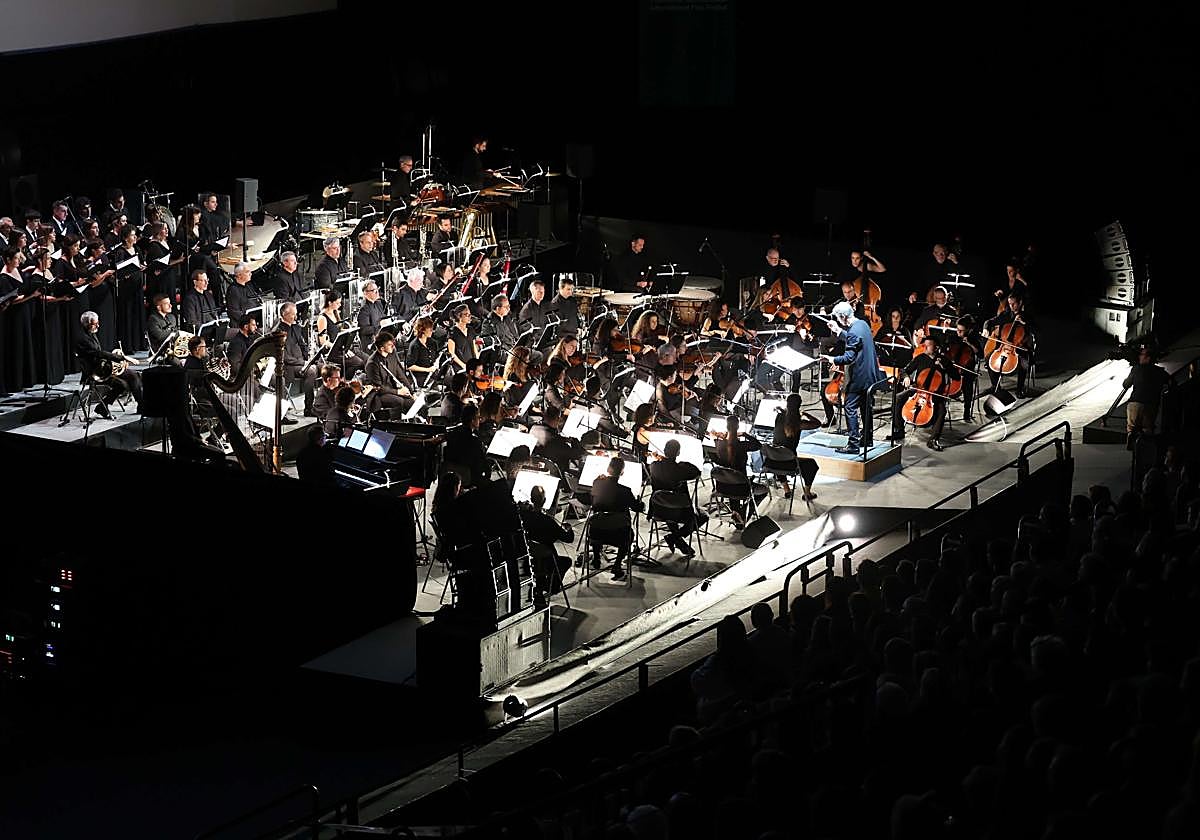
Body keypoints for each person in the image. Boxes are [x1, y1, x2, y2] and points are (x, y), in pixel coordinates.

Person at [820, 300, 886, 454]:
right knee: (865, 406)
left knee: (850, 407)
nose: (838, 321)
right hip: (870, 374)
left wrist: (832, 359)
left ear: (843, 317)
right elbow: (854, 338)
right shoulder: (862, 324)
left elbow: (849, 357)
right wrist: (838, 331)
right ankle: (867, 439)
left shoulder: (854, 331)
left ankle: (853, 445)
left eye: (838, 319)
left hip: (859, 377)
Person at [76, 310, 143, 417]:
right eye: (95, 323)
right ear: (87, 324)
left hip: (104, 367)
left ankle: (142, 406)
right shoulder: (82, 338)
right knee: (121, 385)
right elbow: (99, 353)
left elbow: (101, 355)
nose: (98, 325)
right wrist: (122, 358)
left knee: (134, 375)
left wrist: (119, 361)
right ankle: (102, 406)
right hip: (95, 373)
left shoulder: (91, 333)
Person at [648, 438, 706, 558]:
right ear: (678, 453)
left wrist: (662, 460)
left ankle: (677, 540)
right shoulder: (681, 469)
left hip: (659, 509)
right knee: (703, 516)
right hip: (680, 512)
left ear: (664, 450)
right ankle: (675, 538)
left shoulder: (653, 466)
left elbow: (665, 468)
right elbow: (696, 471)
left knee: (669, 506)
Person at [892, 334, 951, 451]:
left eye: (929, 345)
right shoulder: (920, 358)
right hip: (917, 390)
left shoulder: (944, 360)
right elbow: (904, 370)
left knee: (942, 411)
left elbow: (955, 376)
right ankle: (899, 430)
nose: (925, 347)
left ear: (936, 347)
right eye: (925, 345)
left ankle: (933, 439)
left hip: (934, 395)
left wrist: (944, 367)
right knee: (898, 398)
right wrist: (906, 377)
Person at [588, 457, 644, 581]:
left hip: (597, 532)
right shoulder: (625, 491)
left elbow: (593, 503)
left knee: (599, 520)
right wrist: (641, 503)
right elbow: (637, 508)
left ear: (608, 469)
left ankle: (596, 558)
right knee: (630, 535)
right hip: (618, 534)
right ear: (622, 473)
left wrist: (596, 481)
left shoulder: (597, 484)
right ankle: (617, 565)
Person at [519, 485, 573, 597]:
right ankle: (551, 586)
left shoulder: (523, 516)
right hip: (546, 561)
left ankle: (541, 585)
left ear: (531, 499)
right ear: (544, 501)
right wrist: (569, 529)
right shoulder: (548, 521)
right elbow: (568, 539)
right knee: (566, 561)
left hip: (526, 560)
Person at [712, 412, 762, 527]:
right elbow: (758, 445)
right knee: (762, 491)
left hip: (722, 486)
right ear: (738, 427)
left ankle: (736, 513)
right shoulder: (742, 445)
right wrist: (745, 434)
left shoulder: (719, 443)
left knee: (732, 478)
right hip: (740, 487)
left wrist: (719, 436)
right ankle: (741, 513)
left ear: (726, 427)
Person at [770, 393, 821, 499]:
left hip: (772, 461)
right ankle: (807, 493)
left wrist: (783, 410)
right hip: (789, 463)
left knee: (779, 452)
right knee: (812, 465)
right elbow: (817, 423)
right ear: (799, 405)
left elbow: (786, 417)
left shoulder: (779, 417)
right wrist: (806, 414)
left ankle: (786, 489)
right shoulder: (798, 423)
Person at [982, 292, 1034, 397]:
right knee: (989, 359)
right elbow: (989, 321)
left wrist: (1025, 323)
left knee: (1023, 364)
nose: (1012, 306)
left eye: (1014, 304)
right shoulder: (1006, 314)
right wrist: (985, 329)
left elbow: (1037, 329)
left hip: (1020, 348)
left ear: (1020, 303)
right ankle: (995, 386)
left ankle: (1019, 389)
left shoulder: (1028, 316)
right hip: (1004, 347)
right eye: (1010, 304)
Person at [108, 223, 146, 350]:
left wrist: (143, 267)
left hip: (138, 287)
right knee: (128, 314)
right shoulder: (120, 252)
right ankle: (128, 345)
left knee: (138, 313)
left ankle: (139, 343)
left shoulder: (138, 249)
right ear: (125, 238)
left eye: (135, 235)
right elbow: (119, 269)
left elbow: (142, 263)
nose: (135, 238)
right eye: (132, 235)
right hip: (127, 288)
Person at [275, 301, 316, 416]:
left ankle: (319, 405)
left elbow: (303, 345)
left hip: (300, 363)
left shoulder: (296, 327)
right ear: (285, 315)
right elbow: (285, 358)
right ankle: (308, 408)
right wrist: (303, 362)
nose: (296, 317)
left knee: (325, 367)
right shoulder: (278, 332)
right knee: (311, 371)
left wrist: (308, 357)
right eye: (293, 314)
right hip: (288, 367)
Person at [1123, 345, 1170, 445]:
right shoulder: (1160, 372)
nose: (1139, 356)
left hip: (1136, 403)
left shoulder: (1136, 369)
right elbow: (1171, 382)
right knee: (1147, 429)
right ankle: (1145, 450)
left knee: (1132, 426)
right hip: (1151, 404)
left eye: (1142, 355)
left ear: (1148, 358)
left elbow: (1126, 385)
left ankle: (1131, 436)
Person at [363, 331, 415, 419]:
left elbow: (400, 374)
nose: (393, 346)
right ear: (382, 348)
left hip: (392, 389)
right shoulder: (372, 364)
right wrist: (398, 392)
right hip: (379, 395)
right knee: (400, 401)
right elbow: (379, 388)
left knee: (411, 401)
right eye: (390, 345)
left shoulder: (392, 353)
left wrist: (411, 392)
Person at [315, 289, 364, 380]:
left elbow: (338, 330)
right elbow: (323, 342)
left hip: (340, 347)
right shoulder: (322, 318)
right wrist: (340, 349)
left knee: (364, 359)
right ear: (330, 303)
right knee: (358, 362)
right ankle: (343, 380)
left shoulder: (335, 312)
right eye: (337, 303)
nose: (340, 305)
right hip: (332, 350)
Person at [443, 402, 489, 488]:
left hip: (451, 471)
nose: (480, 420)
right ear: (472, 421)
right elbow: (482, 463)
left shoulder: (452, 433)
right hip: (468, 475)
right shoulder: (474, 440)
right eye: (478, 418)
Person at [530, 404, 584, 477]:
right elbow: (577, 455)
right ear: (558, 419)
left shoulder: (533, 427)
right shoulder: (557, 441)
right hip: (555, 472)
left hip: (536, 466)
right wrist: (575, 441)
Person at [406, 315, 440, 386]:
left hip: (432, 374)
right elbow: (410, 366)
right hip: (419, 377)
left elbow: (437, 356)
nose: (432, 331)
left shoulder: (433, 342)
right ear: (422, 330)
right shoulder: (415, 345)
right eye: (430, 329)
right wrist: (428, 369)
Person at [225, 261, 258, 333]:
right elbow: (234, 312)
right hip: (242, 327)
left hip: (254, 323)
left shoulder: (249, 286)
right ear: (239, 275)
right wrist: (249, 322)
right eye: (247, 272)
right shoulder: (233, 290)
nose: (250, 274)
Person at [446, 303, 479, 374]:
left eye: (470, 314)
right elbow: (452, 353)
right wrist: (464, 366)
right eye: (467, 314)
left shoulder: (470, 330)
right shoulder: (452, 332)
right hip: (461, 367)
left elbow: (474, 347)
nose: (470, 317)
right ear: (459, 316)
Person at [147, 293, 180, 359]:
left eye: (170, 303)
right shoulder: (153, 319)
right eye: (167, 304)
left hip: (173, 348)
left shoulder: (172, 317)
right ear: (159, 307)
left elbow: (176, 332)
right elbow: (160, 336)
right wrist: (173, 332)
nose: (170, 306)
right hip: (160, 351)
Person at [356, 280, 388, 346]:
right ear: (365, 293)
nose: (377, 292)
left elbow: (383, 318)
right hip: (371, 343)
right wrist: (380, 325)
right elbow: (364, 330)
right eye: (373, 290)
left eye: (377, 289)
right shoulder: (364, 309)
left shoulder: (379, 303)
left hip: (381, 338)